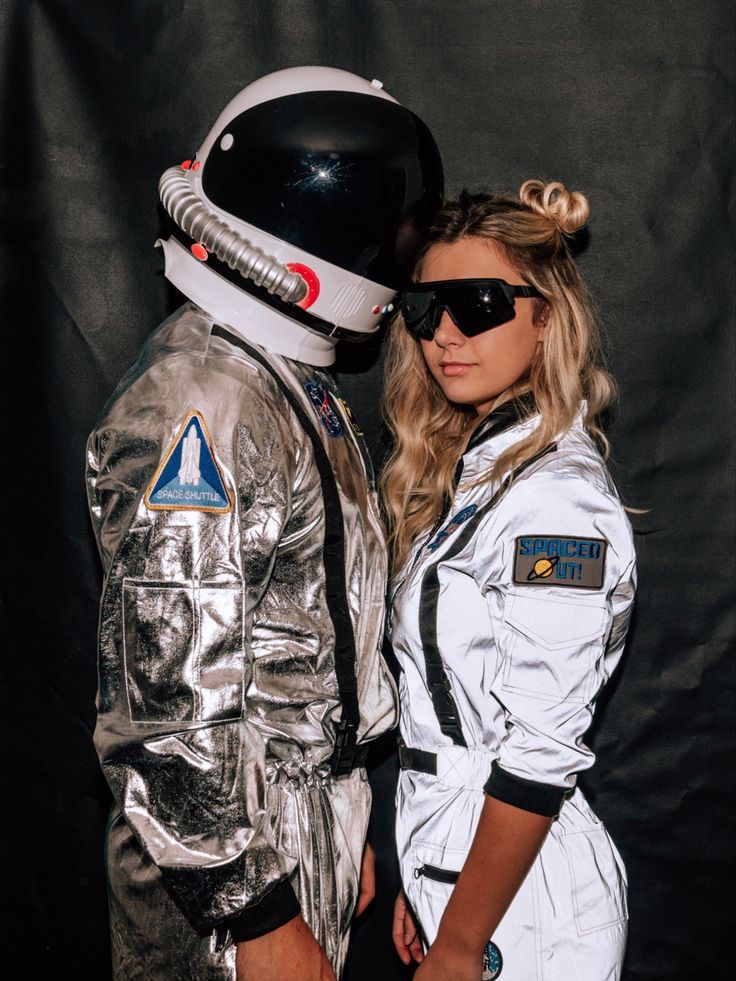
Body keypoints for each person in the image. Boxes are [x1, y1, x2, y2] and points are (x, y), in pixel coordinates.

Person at [85, 66, 443, 981]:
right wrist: (254, 912)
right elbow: (167, 712)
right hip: (222, 861)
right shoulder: (201, 398)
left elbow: (322, 630)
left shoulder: (272, 380)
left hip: (294, 825)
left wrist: (346, 815)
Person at [382, 181, 636, 980]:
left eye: (480, 302)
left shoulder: (555, 500)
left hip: (526, 913)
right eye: (426, 309)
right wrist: (429, 871)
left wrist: (460, 941)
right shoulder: (482, 471)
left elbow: (537, 753)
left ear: (546, 316)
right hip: (474, 882)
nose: (445, 334)